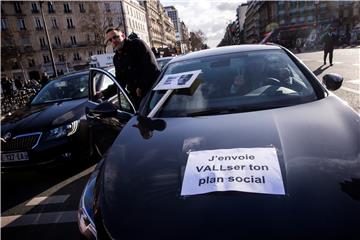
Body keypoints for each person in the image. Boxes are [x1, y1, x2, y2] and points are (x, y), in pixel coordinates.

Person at [105, 27, 160, 108]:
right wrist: (103, 93)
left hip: (153, 94)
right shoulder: (116, 58)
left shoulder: (137, 44)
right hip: (136, 101)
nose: (113, 41)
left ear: (123, 36)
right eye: (110, 40)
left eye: (115, 37)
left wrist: (141, 86)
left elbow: (152, 67)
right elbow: (120, 82)